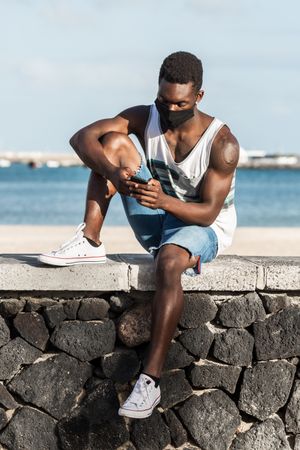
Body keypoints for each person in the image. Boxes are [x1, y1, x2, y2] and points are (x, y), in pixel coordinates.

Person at [39, 51, 239, 419]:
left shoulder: (222, 143)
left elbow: (209, 211)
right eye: (164, 100)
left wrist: (163, 199)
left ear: (199, 97)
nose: (170, 109)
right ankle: (90, 241)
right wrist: (116, 176)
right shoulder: (146, 116)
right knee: (112, 143)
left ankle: (150, 381)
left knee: (168, 263)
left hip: (200, 227)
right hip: (155, 209)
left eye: (180, 103)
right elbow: (81, 138)